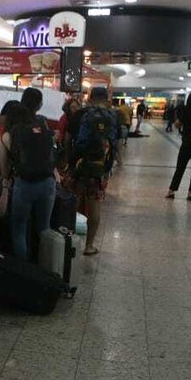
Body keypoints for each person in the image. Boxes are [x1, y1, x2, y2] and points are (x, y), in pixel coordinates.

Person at [0, 97, 55, 261]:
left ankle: (25, 270)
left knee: (19, 229)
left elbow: (4, 171)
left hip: (24, 185)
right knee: (44, 228)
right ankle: (48, 269)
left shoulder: (7, 136)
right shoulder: (42, 129)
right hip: (48, 182)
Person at [69, 87, 117, 256]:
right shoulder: (111, 117)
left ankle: (67, 241)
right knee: (94, 206)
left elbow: (73, 141)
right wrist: (107, 167)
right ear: (106, 98)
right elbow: (113, 144)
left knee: (71, 203)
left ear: (90, 98)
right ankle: (89, 246)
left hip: (79, 166)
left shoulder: (80, 115)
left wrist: (71, 164)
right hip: (98, 168)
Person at [167, 91, 191, 201]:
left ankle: (172, 191)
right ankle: (190, 193)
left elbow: (177, 125)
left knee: (180, 168)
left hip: (187, 144)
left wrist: (178, 121)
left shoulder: (186, 111)